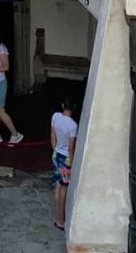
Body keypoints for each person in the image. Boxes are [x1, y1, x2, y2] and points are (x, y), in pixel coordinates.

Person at [51, 97, 79, 231]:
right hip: (66, 158)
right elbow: (71, 148)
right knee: (64, 188)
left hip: (56, 153)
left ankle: (58, 214)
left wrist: (54, 148)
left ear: (62, 105)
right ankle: (60, 219)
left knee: (58, 184)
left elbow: (52, 135)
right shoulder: (73, 125)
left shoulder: (55, 116)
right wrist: (72, 164)